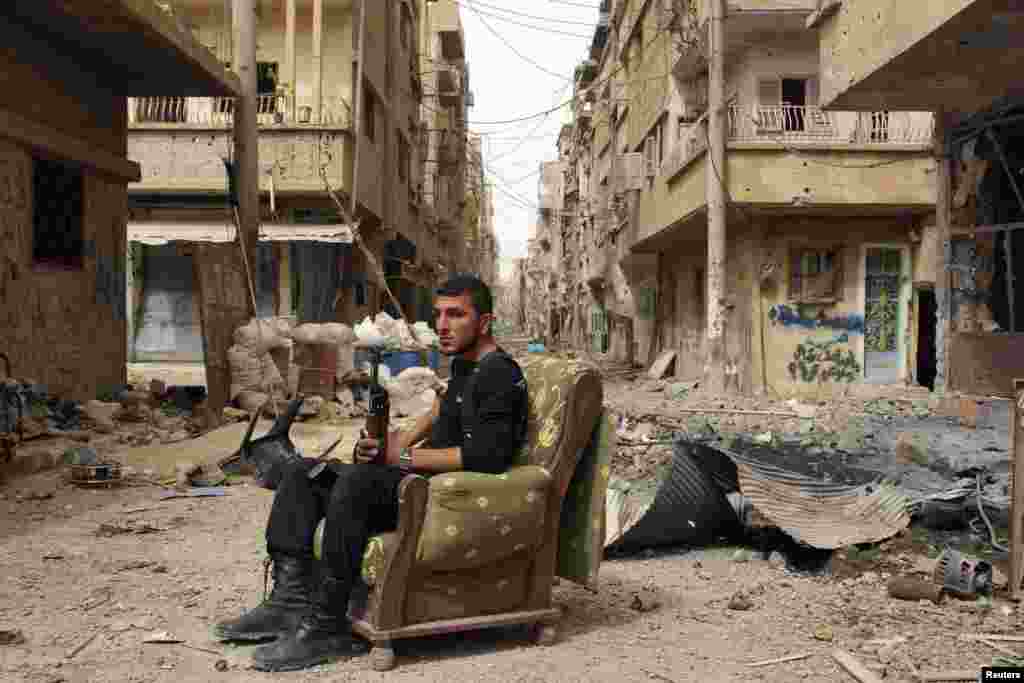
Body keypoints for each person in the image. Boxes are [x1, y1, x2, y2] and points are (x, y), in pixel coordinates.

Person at [213, 274, 530, 672]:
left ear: (483, 322)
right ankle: (289, 602)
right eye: (439, 315)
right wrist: (384, 444)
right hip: (408, 482)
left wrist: (401, 460)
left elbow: (488, 456)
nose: (443, 325)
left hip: (439, 497)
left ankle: (328, 625)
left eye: (456, 315)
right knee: (304, 474)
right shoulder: (467, 368)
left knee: (357, 482)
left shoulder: (499, 372)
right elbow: (434, 415)